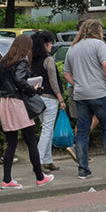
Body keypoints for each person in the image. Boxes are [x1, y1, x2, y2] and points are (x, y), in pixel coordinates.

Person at [63, 19, 106, 180]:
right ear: (97, 30)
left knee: (82, 131)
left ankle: (83, 170)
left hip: (81, 94)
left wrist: (78, 84)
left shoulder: (73, 48)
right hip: (99, 92)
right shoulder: (99, 45)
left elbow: (67, 73)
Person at [0, 34, 54, 189]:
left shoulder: (3, 61)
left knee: (11, 143)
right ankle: (40, 177)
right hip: (18, 103)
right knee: (31, 140)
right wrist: (32, 88)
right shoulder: (21, 61)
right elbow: (19, 80)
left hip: (5, 102)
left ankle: (6, 179)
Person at [30, 30, 67, 173]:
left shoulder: (32, 60)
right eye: (50, 43)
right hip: (50, 98)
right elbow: (53, 80)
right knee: (47, 130)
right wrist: (60, 98)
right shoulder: (48, 59)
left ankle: (47, 160)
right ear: (45, 44)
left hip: (37, 98)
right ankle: (38, 162)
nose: (52, 45)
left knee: (47, 129)